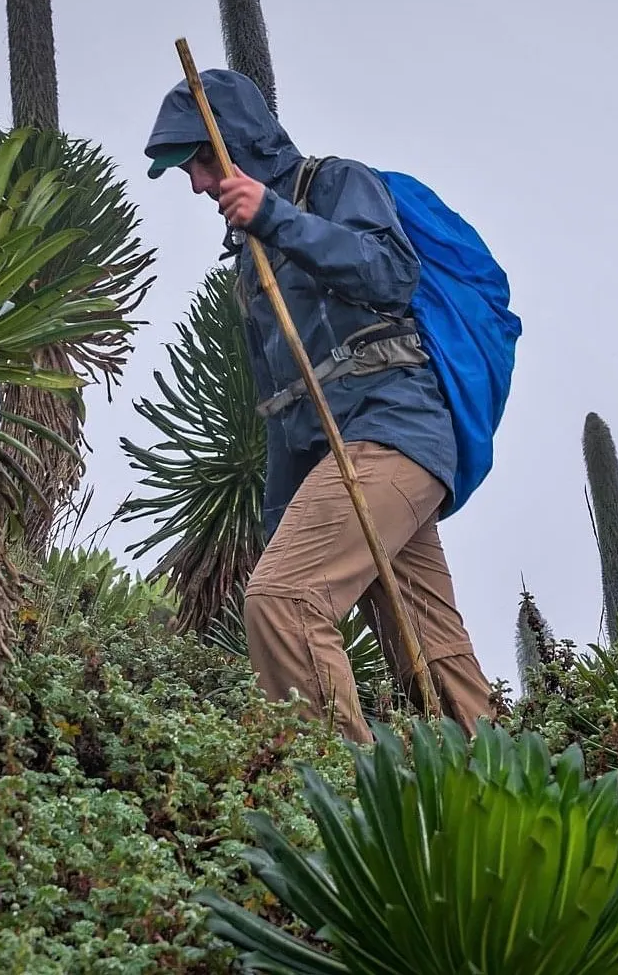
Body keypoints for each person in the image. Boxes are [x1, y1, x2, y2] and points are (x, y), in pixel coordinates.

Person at [143, 69, 495, 742]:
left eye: (201, 159)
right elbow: (281, 405)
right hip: (340, 450)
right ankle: (505, 795)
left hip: (396, 430)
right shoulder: (250, 261)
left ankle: (346, 800)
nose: (195, 183)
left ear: (238, 140)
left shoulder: (334, 185)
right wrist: (280, 524)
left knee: (284, 600)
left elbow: (391, 274)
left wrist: (275, 216)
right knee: (425, 646)